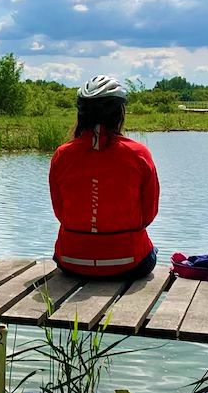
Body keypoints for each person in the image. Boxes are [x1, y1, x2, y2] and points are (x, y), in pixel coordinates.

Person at [48, 75, 159, 279]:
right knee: (153, 251)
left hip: (71, 261)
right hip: (129, 263)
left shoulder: (62, 155)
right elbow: (149, 214)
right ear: (119, 114)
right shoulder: (139, 154)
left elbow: (60, 212)